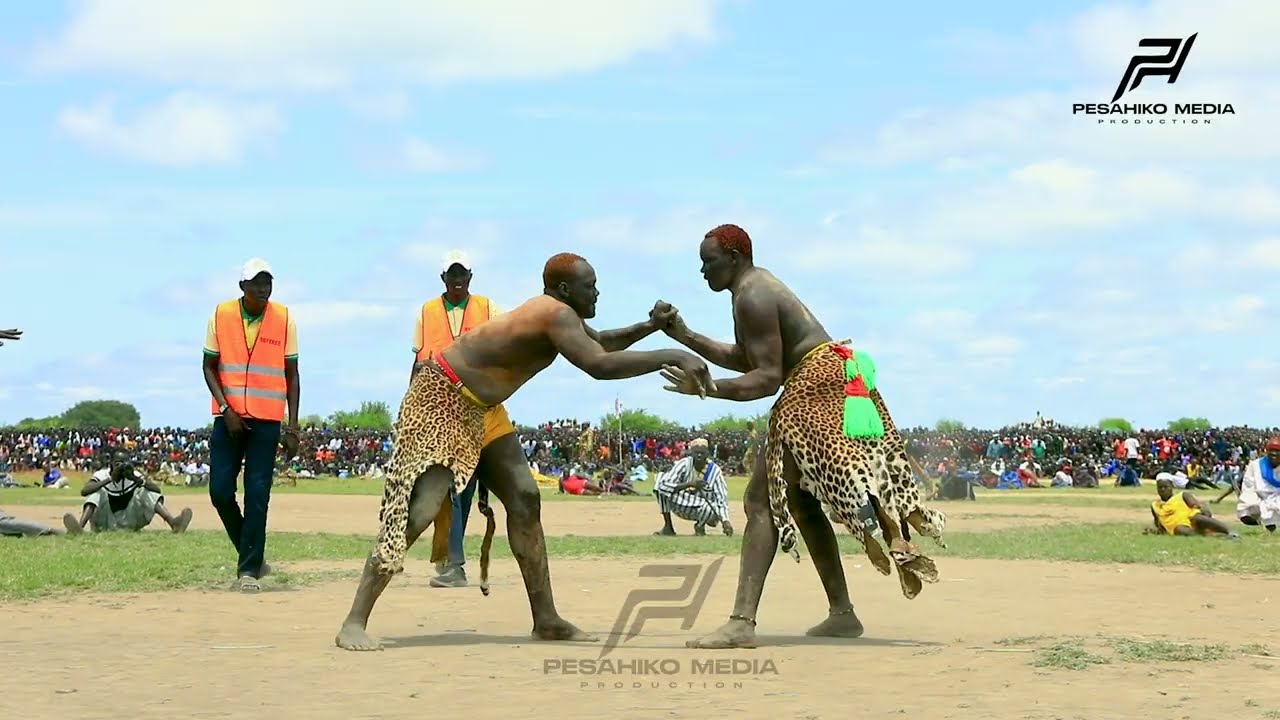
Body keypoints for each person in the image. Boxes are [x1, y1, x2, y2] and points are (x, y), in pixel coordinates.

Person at [334, 252, 714, 651]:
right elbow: (598, 364)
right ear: (565, 289)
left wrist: (651, 328)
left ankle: (546, 619)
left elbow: (598, 343)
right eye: (591, 286)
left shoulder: (558, 315)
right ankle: (354, 621)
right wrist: (674, 355)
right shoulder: (553, 313)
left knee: (524, 496)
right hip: (443, 400)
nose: (598, 292)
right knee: (420, 511)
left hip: (483, 408)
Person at [652, 223, 947, 650]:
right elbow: (748, 356)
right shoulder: (751, 289)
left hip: (816, 387)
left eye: (708, 262)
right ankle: (842, 614)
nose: (702, 271)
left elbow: (767, 378)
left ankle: (741, 622)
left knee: (759, 500)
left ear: (733, 258)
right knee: (800, 499)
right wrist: (684, 335)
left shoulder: (752, 294)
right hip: (831, 382)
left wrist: (707, 386)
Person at [202, 258, 301, 593]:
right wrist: (226, 408)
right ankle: (253, 555)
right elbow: (208, 367)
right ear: (242, 286)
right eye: (256, 283)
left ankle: (248, 571)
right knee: (219, 492)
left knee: (258, 495)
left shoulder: (284, 317)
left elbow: (292, 374)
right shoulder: (221, 314)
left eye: (267, 282)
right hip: (228, 418)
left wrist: (293, 427)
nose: (263, 289)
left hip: (267, 418)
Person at [411, 249, 503, 589]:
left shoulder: (488, 309)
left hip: (478, 409)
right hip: (441, 414)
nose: (458, 280)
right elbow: (419, 362)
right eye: (452, 275)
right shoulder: (427, 311)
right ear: (443, 279)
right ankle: (455, 563)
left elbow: (502, 350)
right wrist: (412, 406)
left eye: (462, 274)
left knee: (463, 491)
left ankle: (453, 560)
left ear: (470, 277)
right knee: (452, 487)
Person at [61, 453, 194, 535]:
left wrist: (136, 479)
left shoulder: (133, 475)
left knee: (145, 490)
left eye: (123, 464)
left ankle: (174, 524)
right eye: (117, 464)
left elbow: (156, 491)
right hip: (106, 522)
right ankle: (79, 528)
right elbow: (85, 491)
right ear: (111, 463)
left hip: (130, 520)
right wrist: (110, 479)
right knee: (97, 492)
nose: (120, 467)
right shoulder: (101, 474)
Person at [652, 438, 733, 536]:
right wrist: (689, 484)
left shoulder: (715, 471)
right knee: (660, 480)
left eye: (702, 453)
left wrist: (725, 521)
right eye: (696, 452)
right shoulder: (684, 464)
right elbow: (663, 486)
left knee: (713, 509)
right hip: (680, 503)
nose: (699, 455)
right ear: (691, 453)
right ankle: (668, 527)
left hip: (703, 509)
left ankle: (700, 526)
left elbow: (722, 498)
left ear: (707, 454)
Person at [1145, 477, 1237, 538]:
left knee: (1197, 517)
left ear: (1172, 487)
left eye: (1165, 487)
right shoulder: (1155, 505)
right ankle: (1213, 536)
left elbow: (1199, 506)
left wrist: (1205, 510)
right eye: (1160, 487)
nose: (1163, 490)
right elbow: (1159, 524)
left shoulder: (1183, 495)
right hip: (1179, 527)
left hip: (1193, 520)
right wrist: (1154, 531)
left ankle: (1230, 531)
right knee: (1179, 529)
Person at [1235, 436, 1280, 533]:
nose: (1274, 453)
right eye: (1271, 450)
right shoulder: (1256, 465)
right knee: (1247, 506)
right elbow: (1248, 485)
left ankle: (1271, 521)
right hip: (1259, 496)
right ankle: (1263, 521)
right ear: (1267, 451)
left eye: (1277, 450)